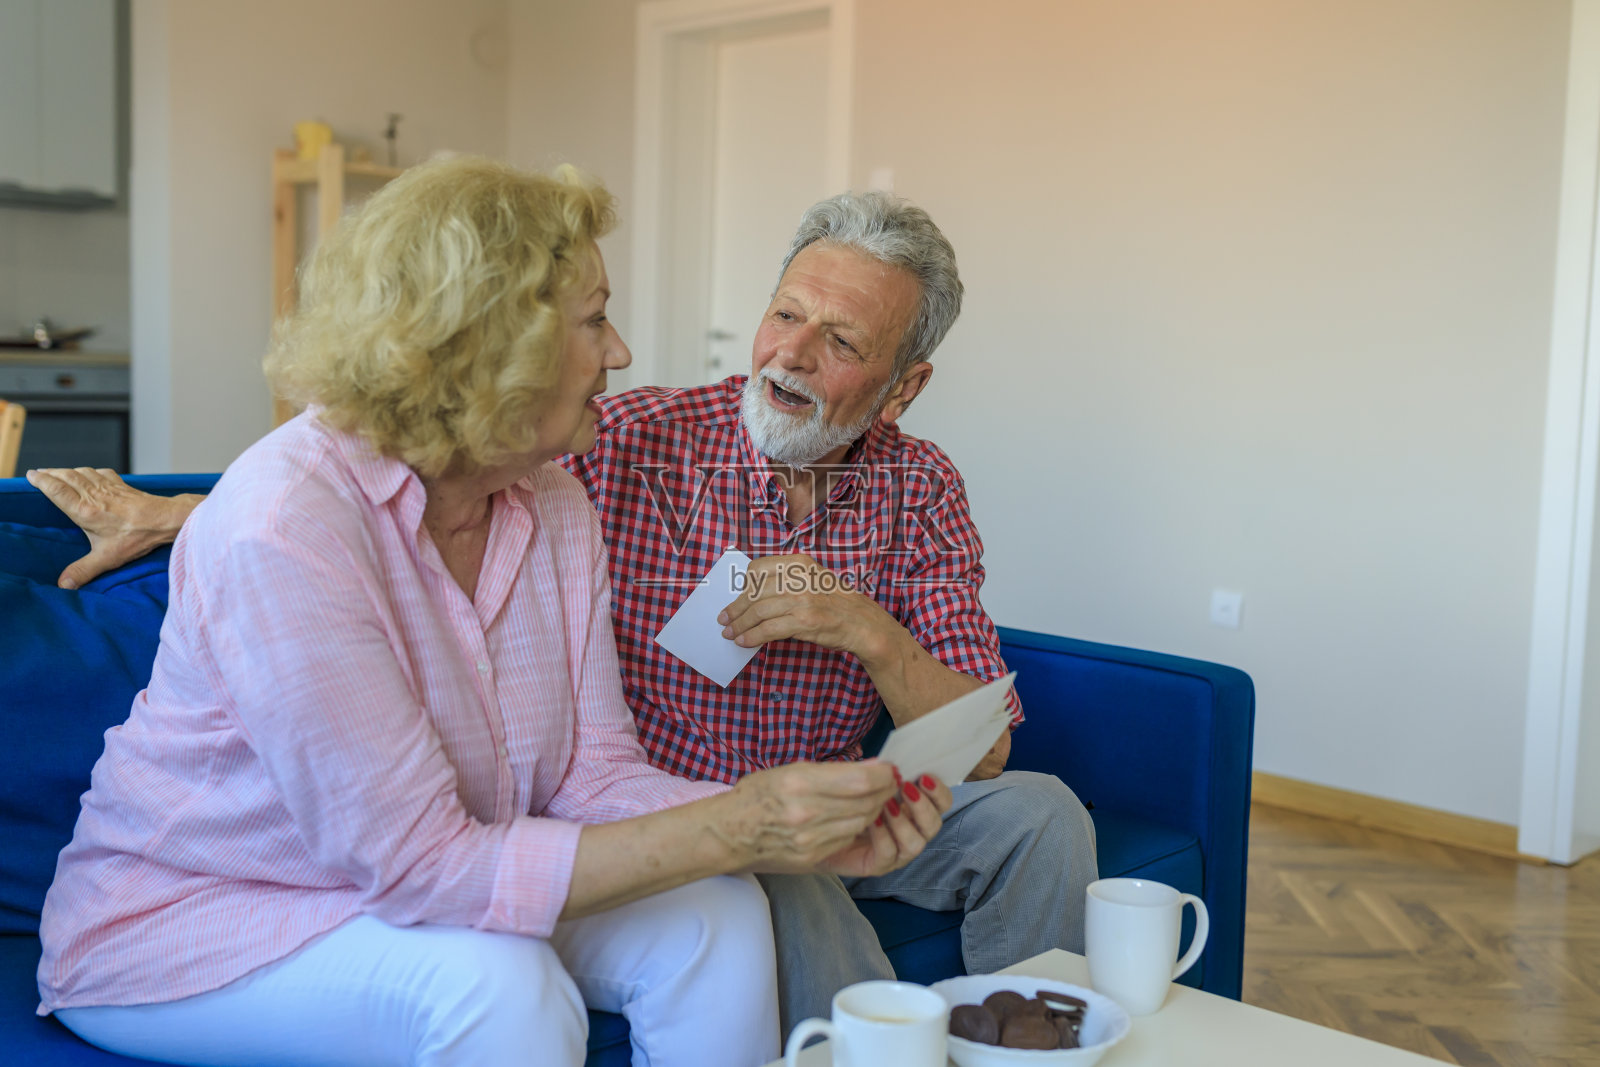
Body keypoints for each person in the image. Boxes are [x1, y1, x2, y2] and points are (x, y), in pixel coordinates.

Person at [30, 190, 1097, 1036]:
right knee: (761, 889)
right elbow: (396, 471)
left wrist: (859, 623)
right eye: (785, 314)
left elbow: (983, 744)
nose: (788, 353)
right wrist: (175, 512)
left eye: (841, 341)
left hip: (812, 789)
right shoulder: (627, 443)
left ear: (901, 388)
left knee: (1042, 813)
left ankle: (1040, 1041)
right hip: (680, 808)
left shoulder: (915, 486)